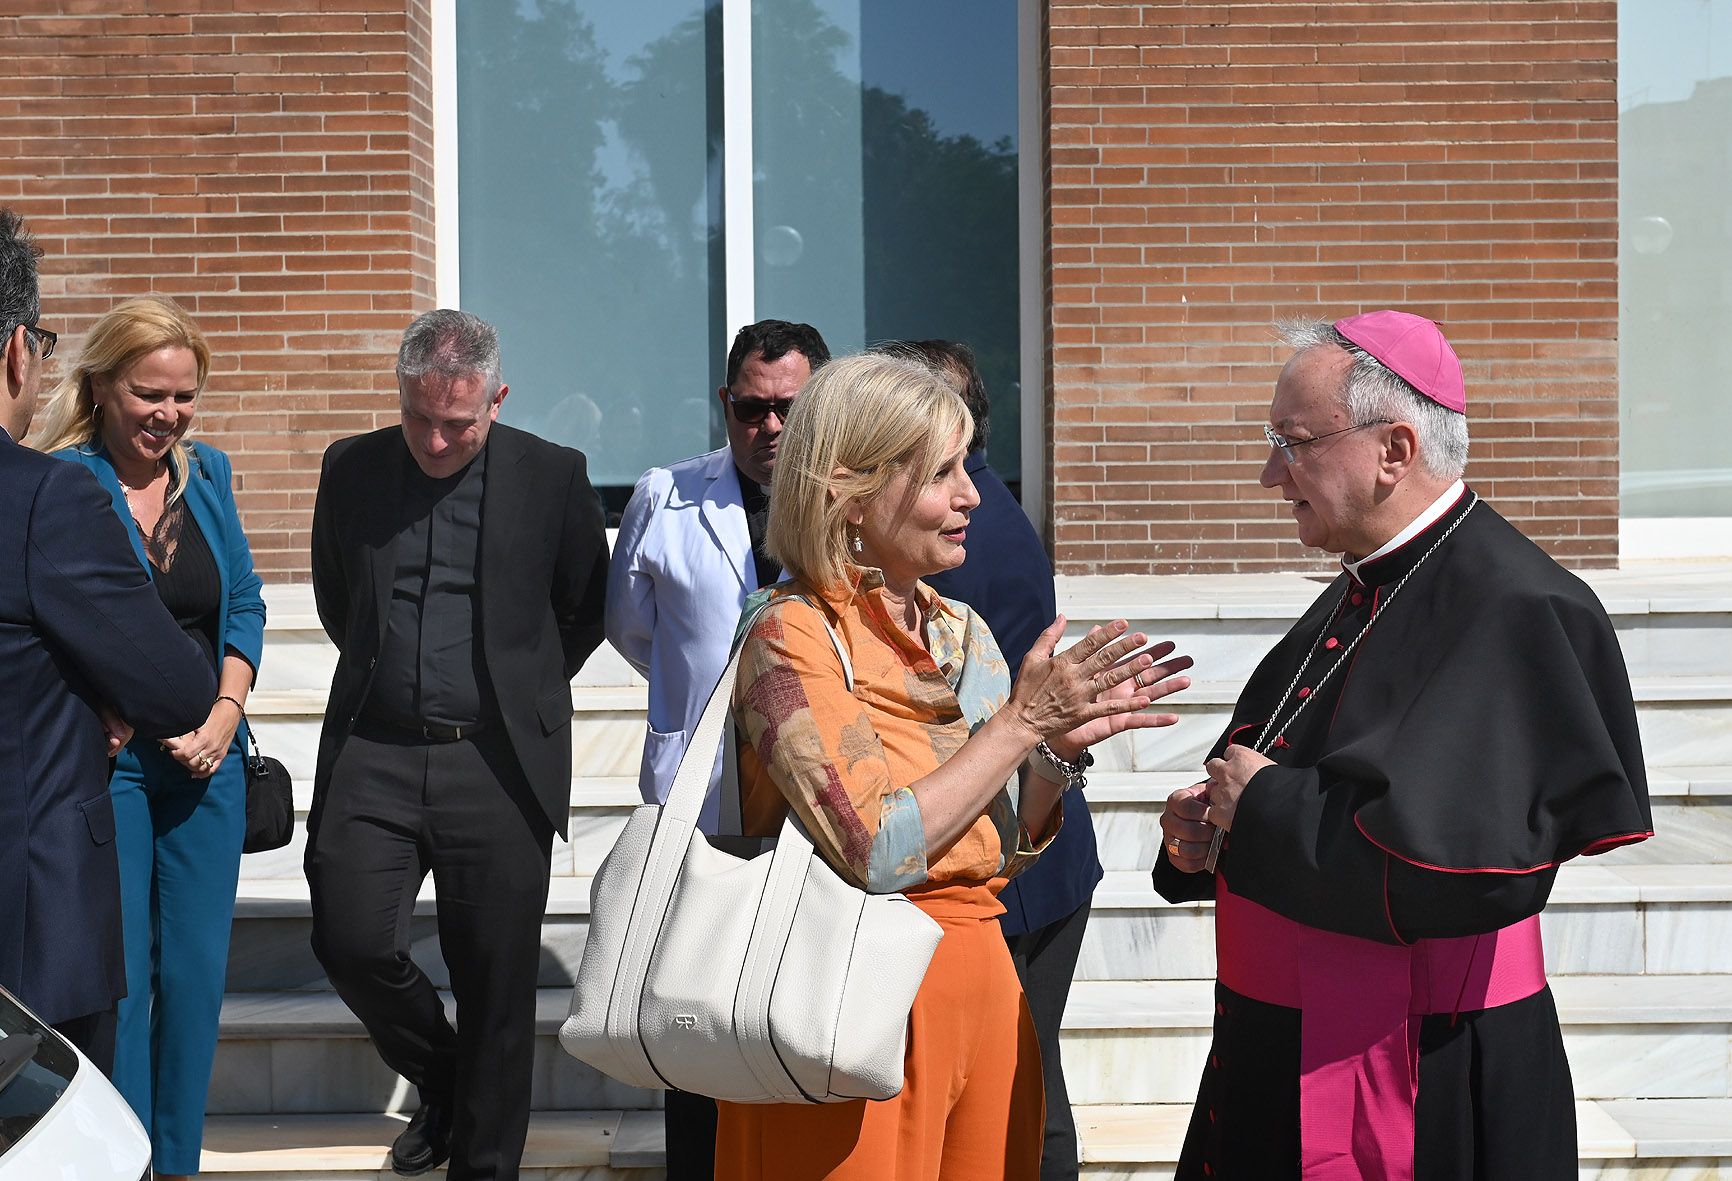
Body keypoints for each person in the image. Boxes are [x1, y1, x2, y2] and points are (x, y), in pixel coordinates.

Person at [1155, 311, 1653, 1180]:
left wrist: (1262, 805)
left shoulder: (1521, 606)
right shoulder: (1365, 581)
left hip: (1433, 1071)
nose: (1271, 474)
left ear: (1394, 449)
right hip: (1279, 1043)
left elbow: (1474, 870)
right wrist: (1208, 834)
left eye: (1293, 443)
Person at [717, 351, 1194, 1180]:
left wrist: (1055, 753)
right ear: (851, 491)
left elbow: (1000, 850)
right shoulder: (789, 633)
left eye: (965, 467)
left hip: (982, 987)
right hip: (846, 1003)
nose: (972, 495)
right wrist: (1019, 724)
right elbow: (875, 846)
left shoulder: (960, 629)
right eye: (942, 473)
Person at [307, 309, 609, 1181]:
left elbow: (583, 608)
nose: (436, 440)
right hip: (376, 748)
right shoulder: (350, 467)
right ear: (399, 392)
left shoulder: (553, 475)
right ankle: (445, 1077)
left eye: (458, 423)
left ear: (497, 399)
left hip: (498, 761)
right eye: (419, 418)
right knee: (350, 941)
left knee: (497, 986)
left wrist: (517, 688)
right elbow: (338, 598)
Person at [30, 297, 266, 1179]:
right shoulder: (61, 481)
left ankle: (178, 1165)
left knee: (195, 984)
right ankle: (122, 1165)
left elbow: (245, 603)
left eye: (184, 396)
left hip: (209, 768)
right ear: (101, 386)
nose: (169, 414)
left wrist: (225, 714)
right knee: (122, 987)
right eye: (150, 394)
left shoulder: (211, 475)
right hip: (112, 769)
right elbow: (43, 616)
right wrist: (96, 700)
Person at [606, 318, 829, 1178]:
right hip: (697, 802)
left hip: (817, 799)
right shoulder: (665, 496)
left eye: (788, 408)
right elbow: (633, 627)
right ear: (725, 404)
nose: (769, 426)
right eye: (750, 408)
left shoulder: (855, 501)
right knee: (691, 1011)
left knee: (792, 1009)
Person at [0, 209, 217, 1075]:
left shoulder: (203, 478)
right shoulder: (47, 497)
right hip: (28, 934)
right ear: (18, 350)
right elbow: (175, 685)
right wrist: (100, 683)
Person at [895, 339, 1097, 1181]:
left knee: (1019, 1097)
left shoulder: (960, 536)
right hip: (1014, 839)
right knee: (1025, 1087)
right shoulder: (981, 512)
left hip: (1007, 849)